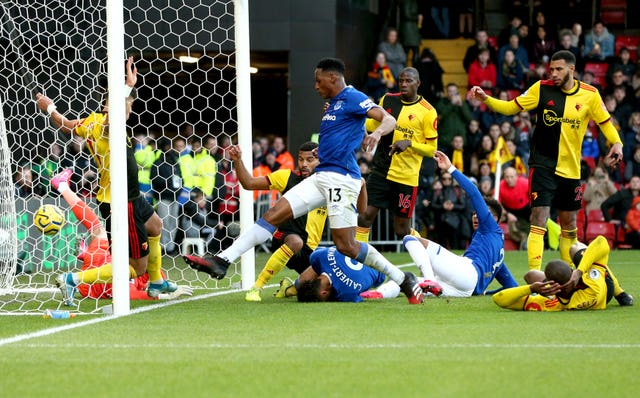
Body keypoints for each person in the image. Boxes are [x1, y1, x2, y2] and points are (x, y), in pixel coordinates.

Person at [183, 57, 425, 304]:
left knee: (347, 246)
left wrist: (376, 133)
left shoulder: (353, 96)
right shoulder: (333, 105)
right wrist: (332, 147)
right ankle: (223, 260)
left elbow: (389, 119)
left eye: (318, 81)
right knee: (272, 215)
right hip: (322, 176)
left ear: (333, 78)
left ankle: (403, 279)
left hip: (342, 179)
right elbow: (349, 131)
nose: (315, 86)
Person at [35, 56, 177, 297]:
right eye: (128, 107)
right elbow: (112, 121)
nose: (129, 112)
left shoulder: (91, 122)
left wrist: (50, 108)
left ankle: (156, 282)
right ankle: (73, 279)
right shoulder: (106, 126)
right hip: (121, 202)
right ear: (113, 107)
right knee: (134, 266)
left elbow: (66, 124)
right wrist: (126, 87)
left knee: (156, 225)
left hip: (130, 195)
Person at [469, 50, 623, 271]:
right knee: (538, 218)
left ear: (572, 69)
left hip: (571, 170)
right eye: (551, 69)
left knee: (569, 225)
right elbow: (511, 106)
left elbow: (605, 122)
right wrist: (486, 98)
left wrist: (617, 143)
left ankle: (569, 276)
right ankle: (535, 274)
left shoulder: (590, 94)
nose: (553, 73)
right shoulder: (542, 88)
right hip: (542, 165)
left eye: (558, 69)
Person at [360, 151, 518, 299]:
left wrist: (450, 168)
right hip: (464, 291)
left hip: (466, 274)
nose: (476, 215)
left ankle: (430, 281)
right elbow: (512, 286)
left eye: (480, 213)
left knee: (411, 239)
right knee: (407, 280)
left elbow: (474, 192)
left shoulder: (490, 226)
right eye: (474, 213)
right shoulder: (497, 251)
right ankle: (379, 294)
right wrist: (486, 293)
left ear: (495, 218)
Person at [51, 169, 192, 305]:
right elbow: (131, 294)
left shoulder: (139, 271)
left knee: (98, 230)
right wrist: (164, 297)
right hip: (90, 282)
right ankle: (84, 258)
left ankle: (63, 187)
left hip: (97, 266)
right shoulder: (136, 271)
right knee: (102, 233)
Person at [227, 141, 329, 302]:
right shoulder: (286, 176)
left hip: (310, 251)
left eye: (309, 160)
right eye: (300, 159)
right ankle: (257, 287)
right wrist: (237, 160)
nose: (303, 164)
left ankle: (290, 288)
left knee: (325, 288)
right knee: (296, 242)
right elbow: (249, 183)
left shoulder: (329, 185)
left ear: (321, 159)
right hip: (286, 238)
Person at [357, 67, 438, 243]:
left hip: (406, 176)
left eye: (408, 81)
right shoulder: (387, 99)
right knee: (363, 217)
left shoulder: (428, 111)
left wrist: (409, 143)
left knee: (402, 231)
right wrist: (348, 117)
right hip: (381, 170)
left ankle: (430, 253)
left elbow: (432, 149)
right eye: (401, 80)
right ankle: (357, 263)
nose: (403, 84)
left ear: (418, 83)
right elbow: (372, 124)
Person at [493, 236, 633, 310]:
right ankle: (619, 292)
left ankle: (620, 293)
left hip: (564, 294)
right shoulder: (593, 285)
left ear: (551, 284)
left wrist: (531, 288)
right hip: (604, 291)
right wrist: (580, 271)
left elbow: (498, 299)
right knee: (577, 249)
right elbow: (602, 242)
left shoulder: (552, 304)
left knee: (531, 276)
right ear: (571, 272)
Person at [150, 137, 182, 255]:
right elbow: (154, 179)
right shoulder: (157, 163)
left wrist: (178, 189)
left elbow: (180, 177)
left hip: (175, 197)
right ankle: (163, 247)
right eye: (167, 146)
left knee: (174, 223)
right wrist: (168, 183)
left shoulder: (175, 161)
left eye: (170, 146)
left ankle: (170, 247)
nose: (169, 149)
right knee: (164, 223)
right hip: (163, 197)